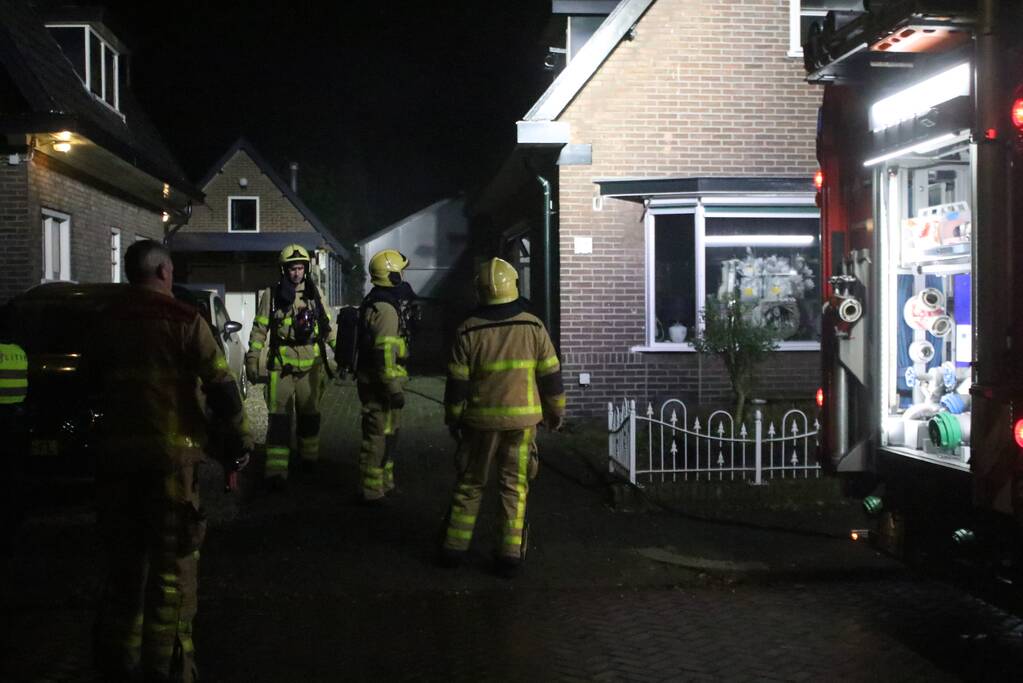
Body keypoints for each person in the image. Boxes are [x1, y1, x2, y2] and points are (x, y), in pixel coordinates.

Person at [84, 240, 252, 682]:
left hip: (115, 471)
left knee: (123, 572)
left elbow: (89, 389)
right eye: (172, 271)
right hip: (171, 471)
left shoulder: (104, 323)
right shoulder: (184, 320)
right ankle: (166, 669)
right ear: (162, 272)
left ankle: (117, 664)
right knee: (172, 576)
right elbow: (223, 389)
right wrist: (237, 442)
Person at [441, 257, 566, 577]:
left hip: (478, 424)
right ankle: (509, 553)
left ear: (479, 291)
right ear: (514, 286)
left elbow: (457, 385)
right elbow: (551, 377)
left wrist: (453, 419)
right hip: (522, 425)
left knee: (470, 483)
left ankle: (454, 547)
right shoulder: (533, 327)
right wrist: (556, 413)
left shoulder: (468, 330)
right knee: (514, 486)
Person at [246, 244, 336, 489]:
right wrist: (253, 357)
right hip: (281, 368)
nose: (296, 273)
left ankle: (309, 461)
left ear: (305, 269)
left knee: (310, 417)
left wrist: (342, 353)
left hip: (311, 368)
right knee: (279, 419)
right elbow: (259, 329)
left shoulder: (315, 295)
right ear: (284, 270)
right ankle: (276, 471)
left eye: (300, 268)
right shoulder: (272, 295)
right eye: (292, 268)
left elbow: (328, 328)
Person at [356, 249, 415, 503]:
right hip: (379, 386)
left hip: (378, 382)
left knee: (388, 434)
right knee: (377, 437)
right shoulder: (387, 310)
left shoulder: (377, 301)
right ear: (393, 275)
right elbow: (384, 356)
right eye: (401, 271)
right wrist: (394, 389)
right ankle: (371, 491)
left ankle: (385, 483)